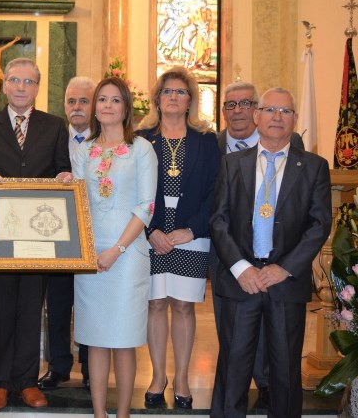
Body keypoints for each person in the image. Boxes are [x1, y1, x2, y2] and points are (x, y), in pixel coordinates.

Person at [209, 88, 332, 418]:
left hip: (285, 282)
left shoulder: (314, 167)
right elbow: (218, 220)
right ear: (256, 116)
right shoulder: (232, 164)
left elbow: (320, 224)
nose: (277, 116)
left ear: (294, 119)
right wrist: (240, 267)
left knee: (284, 370)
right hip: (240, 282)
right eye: (270, 110)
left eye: (286, 111)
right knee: (233, 369)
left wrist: (284, 268)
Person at [0, 57, 71, 410]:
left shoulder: (55, 127)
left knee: (30, 306)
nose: (22, 87)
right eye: (15, 80)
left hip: (40, 235)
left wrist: (64, 179)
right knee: (0, 306)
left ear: (38, 87)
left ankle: (26, 381)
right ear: (5, 85)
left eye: (29, 81)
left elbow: (63, 169)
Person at [73, 77, 157, 418]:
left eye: (115, 100)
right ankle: (98, 413)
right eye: (102, 99)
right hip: (90, 255)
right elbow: (78, 203)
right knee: (94, 337)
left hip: (127, 254)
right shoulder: (84, 150)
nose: (107, 105)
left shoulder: (141, 148)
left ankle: (122, 414)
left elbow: (146, 206)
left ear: (126, 108)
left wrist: (116, 250)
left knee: (123, 339)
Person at [136, 65, 220, 409]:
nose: (173, 97)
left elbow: (216, 192)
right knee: (155, 305)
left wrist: (192, 230)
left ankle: (183, 377)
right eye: (167, 91)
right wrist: (151, 230)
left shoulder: (206, 140)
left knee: (184, 307)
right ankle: (158, 376)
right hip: (151, 234)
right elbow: (133, 191)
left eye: (180, 92)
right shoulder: (141, 139)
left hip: (192, 234)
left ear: (190, 100)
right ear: (157, 99)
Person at [38, 76, 95, 390]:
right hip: (57, 235)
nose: (76, 107)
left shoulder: (104, 140)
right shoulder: (51, 135)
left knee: (88, 303)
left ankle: (89, 367)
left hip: (92, 235)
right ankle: (58, 366)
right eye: (71, 101)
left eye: (83, 101)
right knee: (57, 304)